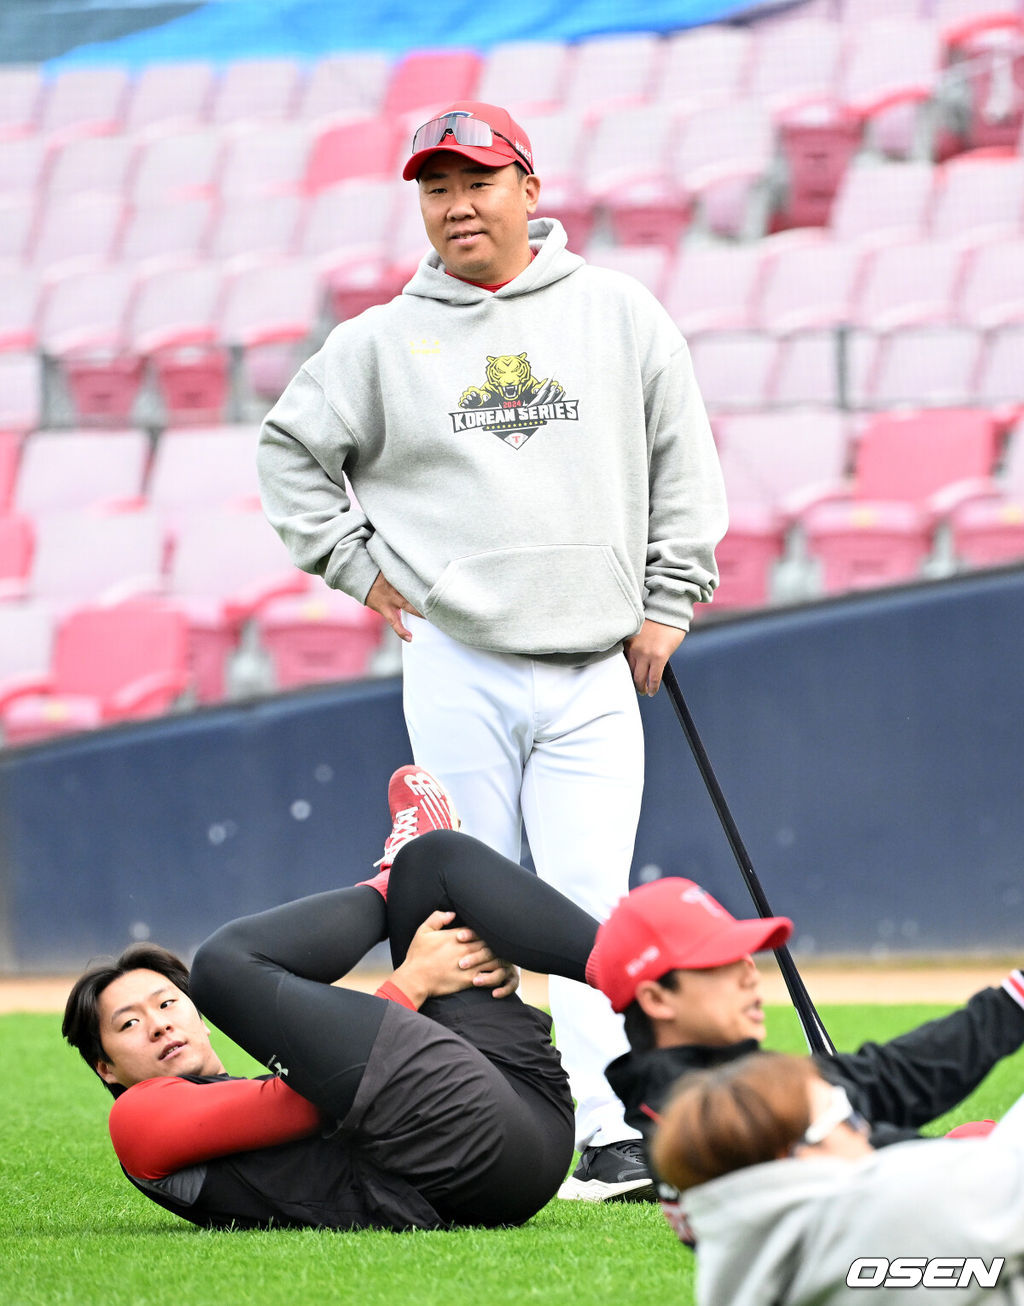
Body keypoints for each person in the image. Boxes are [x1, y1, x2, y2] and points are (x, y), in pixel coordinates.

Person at [257, 99, 728, 1199]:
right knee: (466, 915)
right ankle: (487, 1123)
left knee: (590, 902)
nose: (456, 205)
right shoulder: (379, 338)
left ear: (528, 185)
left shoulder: (618, 311)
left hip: (597, 658)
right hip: (457, 653)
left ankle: (614, 1133)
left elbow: (684, 465)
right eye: (434, 187)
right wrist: (362, 572)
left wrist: (669, 604)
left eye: (475, 180)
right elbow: (288, 452)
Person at [62, 767, 607, 1232]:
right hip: (465, 1162)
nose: (158, 1025)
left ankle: (636, 969)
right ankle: (391, 886)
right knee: (222, 965)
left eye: (165, 1003)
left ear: (200, 1020)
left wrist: (468, 966)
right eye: (128, 1024)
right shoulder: (136, 1119)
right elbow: (301, 1105)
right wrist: (414, 981)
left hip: (527, 1104)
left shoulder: (248, 1086)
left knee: (435, 861)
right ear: (105, 1068)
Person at [585, 876, 1024, 1213]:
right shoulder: (715, 1117)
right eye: (716, 962)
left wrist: (1013, 1000)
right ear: (658, 1000)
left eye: (745, 956)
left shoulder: (701, 1093)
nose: (749, 973)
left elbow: (886, 1078)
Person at [651, 1050, 1024, 1305]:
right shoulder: (889, 1206)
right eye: (844, 1117)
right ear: (794, 1157)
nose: (865, 1132)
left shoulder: (733, 1255)